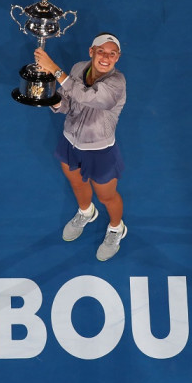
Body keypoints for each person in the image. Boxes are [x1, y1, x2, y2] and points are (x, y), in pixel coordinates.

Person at [34, 32, 127, 261]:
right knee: (76, 181)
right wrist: (51, 98)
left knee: (107, 196)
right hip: (69, 141)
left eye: (112, 54)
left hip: (100, 151)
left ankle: (116, 228)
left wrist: (55, 70)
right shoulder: (77, 69)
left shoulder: (117, 82)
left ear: (118, 57)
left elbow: (93, 99)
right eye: (101, 52)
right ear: (91, 52)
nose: (106, 57)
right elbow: (69, 104)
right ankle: (86, 212)